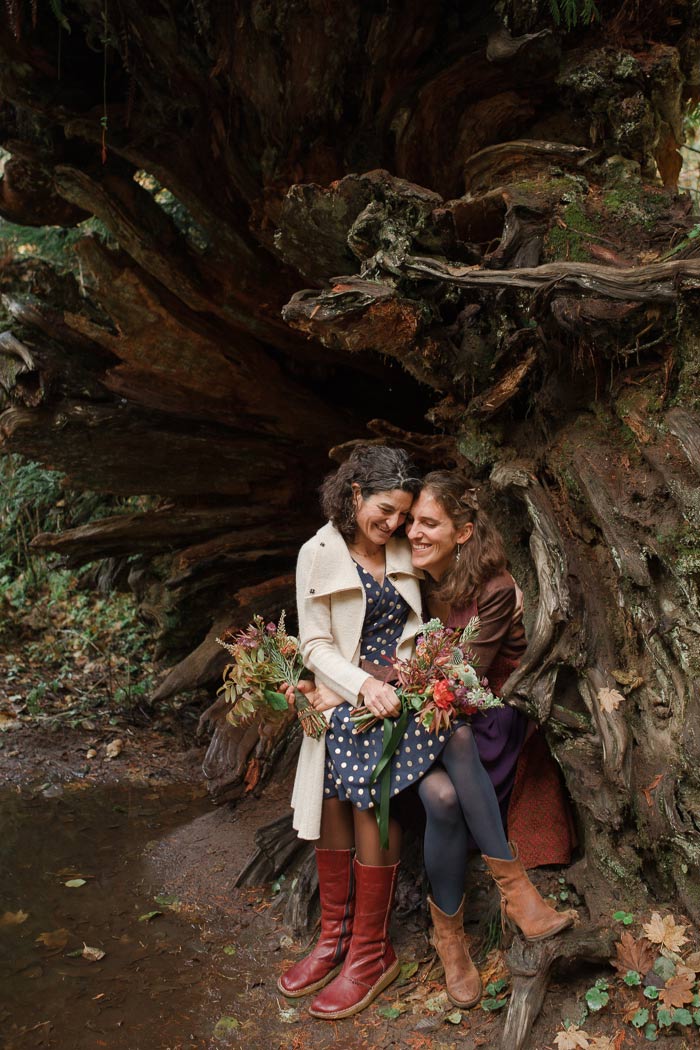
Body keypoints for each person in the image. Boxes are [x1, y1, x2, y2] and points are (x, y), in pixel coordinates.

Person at [404, 470, 575, 1008]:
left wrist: (411, 674)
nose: (413, 532)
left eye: (428, 522)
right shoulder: (412, 585)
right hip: (425, 722)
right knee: (443, 775)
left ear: (464, 532)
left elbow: (463, 680)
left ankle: (472, 924)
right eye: (411, 521)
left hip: (487, 724)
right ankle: (495, 908)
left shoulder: (494, 590)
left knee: (446, 782)